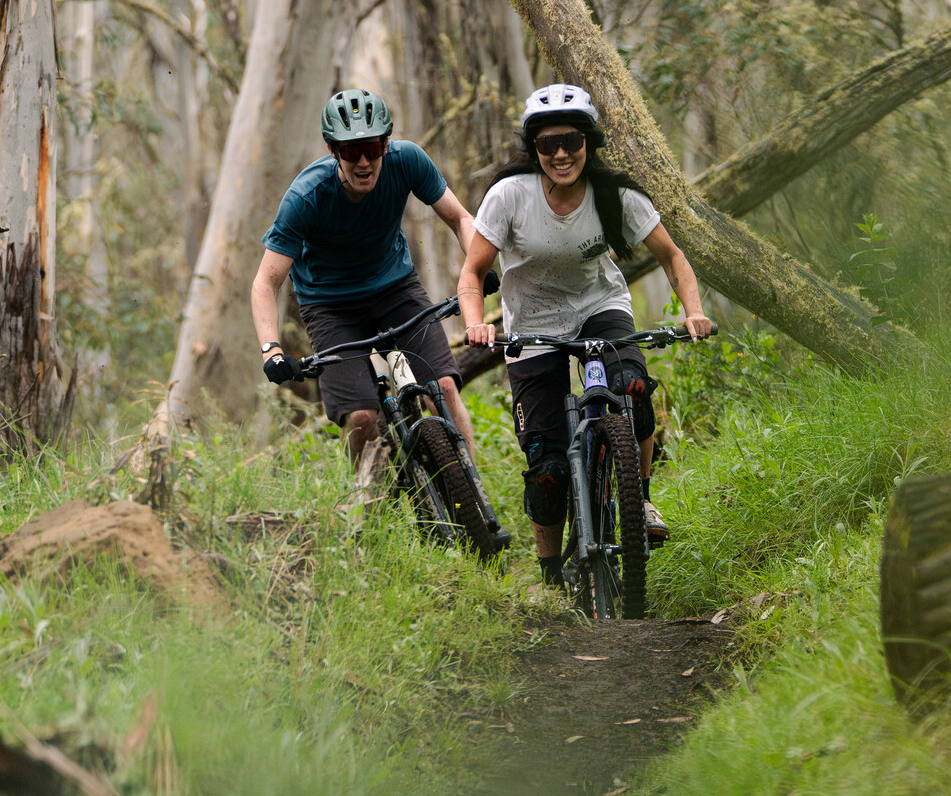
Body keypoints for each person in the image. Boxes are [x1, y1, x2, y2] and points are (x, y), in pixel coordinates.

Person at [458, 84, 713, 586]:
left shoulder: (616, 195)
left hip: (600, 307)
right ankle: (551, 576)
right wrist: (475, 321)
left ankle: (638, 505)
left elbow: (672, 257)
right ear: (533, 148)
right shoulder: (509, 196)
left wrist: (694, 311)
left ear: (589, 143)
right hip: (531, 325)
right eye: (547, 144)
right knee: (547, 466)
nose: (560, 154)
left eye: (571, 142)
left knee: (633, 391)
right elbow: (472, 274)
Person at [251, 88, 482, 497]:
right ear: (333, 150)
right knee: (360, 418)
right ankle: (372, 507)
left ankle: (474, 496)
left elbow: (461, 219)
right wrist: (271, 349)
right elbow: (266, 282)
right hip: (330, 306)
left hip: (395, 287)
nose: (363, 161)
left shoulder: (407, 160)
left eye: (372, 147)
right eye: (351, 149)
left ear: (386, 144)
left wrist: (477, 268)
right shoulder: (307, 196)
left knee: (442, 388)